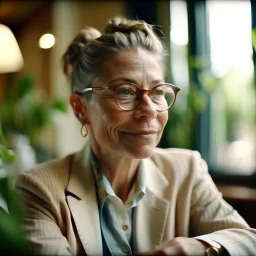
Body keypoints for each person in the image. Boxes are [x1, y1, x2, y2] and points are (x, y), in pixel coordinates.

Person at [15, 16, 256, 256]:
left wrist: (200, 247)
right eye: (125, 91)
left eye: (158, 91)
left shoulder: (186, 171)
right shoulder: (40, 189)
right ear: (81, 109)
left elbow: (249, 240)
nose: (150, 110)